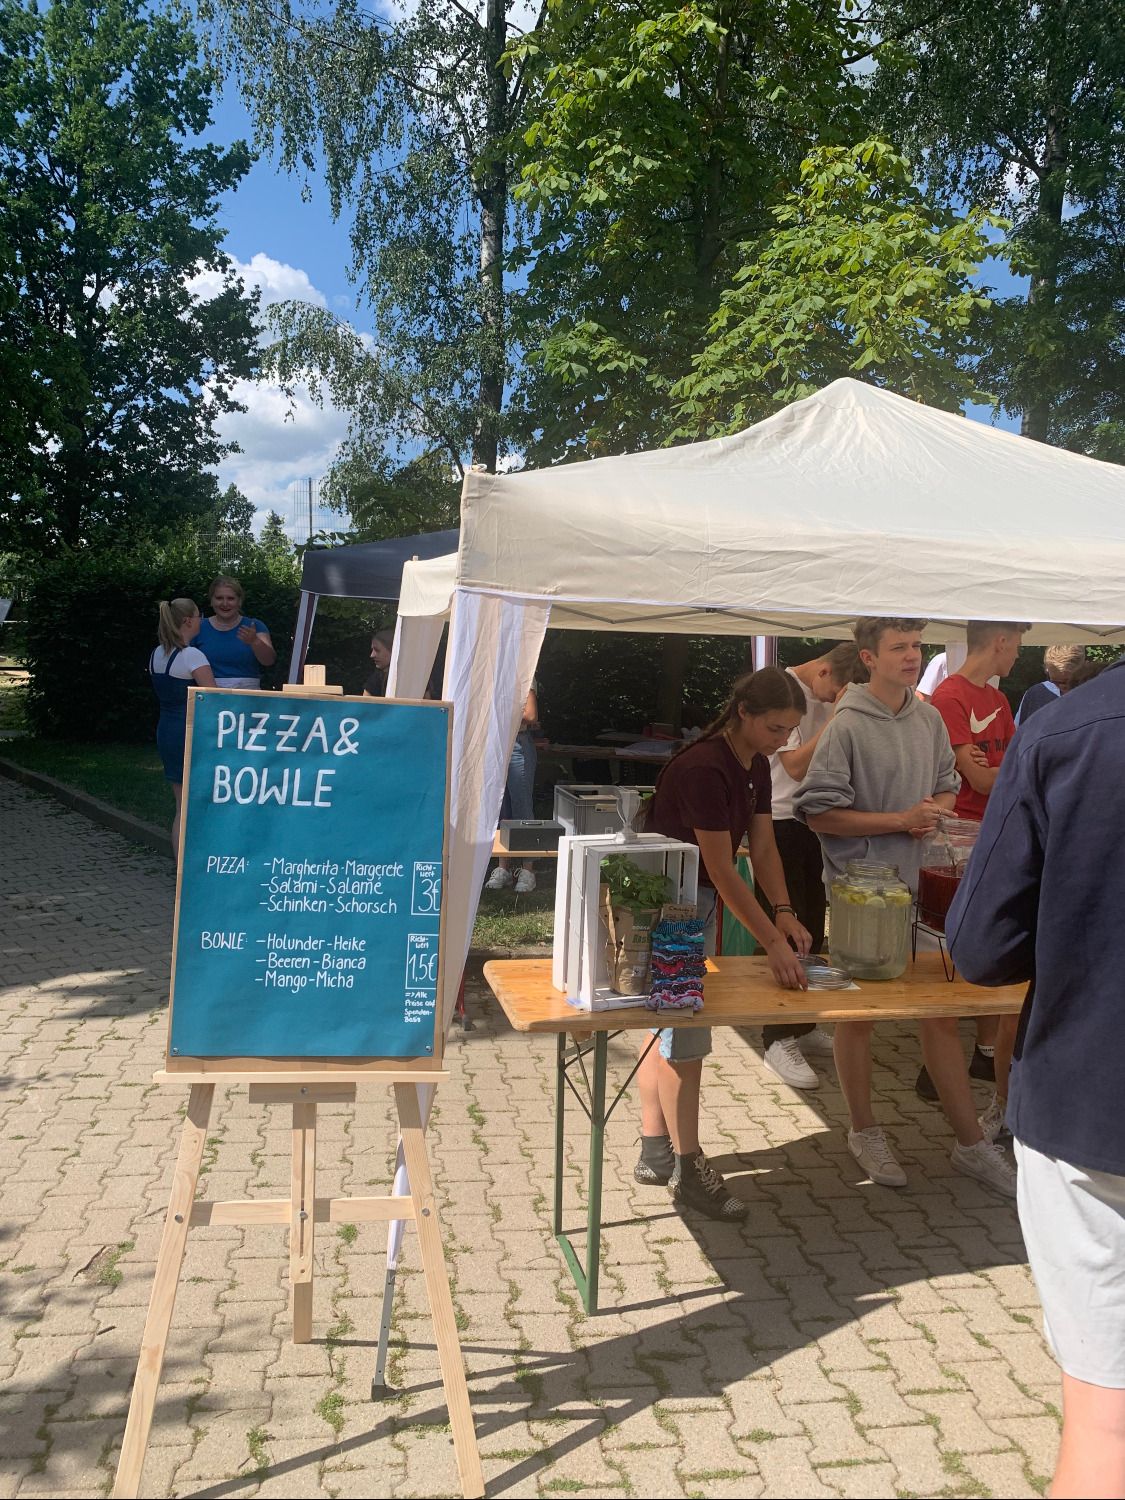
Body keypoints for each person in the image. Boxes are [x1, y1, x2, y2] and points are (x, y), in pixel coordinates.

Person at [948, 656, 1125, 1500]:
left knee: (1104, 1427)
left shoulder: (1069, 730)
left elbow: (982, 947)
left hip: (1094, 1107)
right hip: (1090, 1109)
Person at [794, 617, 1015, 1197]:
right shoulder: (846, 724)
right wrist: (900, 820)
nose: (913, 656)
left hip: (923, 892)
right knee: (858, 1018)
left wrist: (933, 810)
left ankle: (970, 1144)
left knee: (939, 1014)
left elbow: (947, 785)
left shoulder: (928, 719)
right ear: (868, 658)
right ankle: (863, 1130)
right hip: (861, 899)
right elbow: (818, 813)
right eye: (899, 647)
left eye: (916, 645)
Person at [635, 669, 811, 1222]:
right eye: (775, 728)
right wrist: (771, 942)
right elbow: (721, 868)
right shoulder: (704, 769)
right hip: (669, 911)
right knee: (684, 1037)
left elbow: (763, 847)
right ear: (743, 713)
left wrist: (785, 911)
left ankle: (655, 1149)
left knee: (668, 1025)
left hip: (691, 904)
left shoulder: (754, 763)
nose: (782, 740)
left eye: (790, 730)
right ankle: (688, 1169)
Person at [923, 621, 1029, 1123]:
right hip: (958, 841)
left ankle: (984, 1054)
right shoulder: (950, 697)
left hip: (993, 834)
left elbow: (1003, 769)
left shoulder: (999, 700)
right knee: (957, 949)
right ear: (1000, 641)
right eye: (1018, 644)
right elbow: (983, 779)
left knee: (990, 944)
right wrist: (1012, 773)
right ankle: (936, 1064)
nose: (1019, 655)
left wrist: (1004, 773)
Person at [762, 642, 868, 1089]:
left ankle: (802, 1024)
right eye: (833, 693)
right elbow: (794, 766)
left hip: (815, 820)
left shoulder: (830, 693)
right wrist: (838, 717)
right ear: (823, 671)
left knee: (812, 928)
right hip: (780, 820)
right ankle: (775, 1037)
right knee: (786, 929)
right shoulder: (785, 689)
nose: (831, 701)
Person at [149, 598, 215, 859]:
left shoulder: (156, 653)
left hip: (167, 730)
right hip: (191, 732)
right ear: (188, 620)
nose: (202, 620)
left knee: (181, 805)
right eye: (199, 616)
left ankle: (180, 867)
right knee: (198, 802)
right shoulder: (193, 656)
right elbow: (214, 697)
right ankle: (196, 867)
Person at [485, 686, 541, 894]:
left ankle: (528, 870)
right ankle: (503, 867)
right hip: (495, 743)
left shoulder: (523, 674)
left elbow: (531, 715)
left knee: (522, 806)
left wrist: (495, 714)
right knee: (500, 807)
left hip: (517, 742)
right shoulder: (491, 674)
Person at [193, 576, 276, 689]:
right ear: (211, 600)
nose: (225, 603)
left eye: (231, 598)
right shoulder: (199, 627)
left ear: (239, 601)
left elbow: (269, 661)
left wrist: (255, 641)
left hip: (247, 695)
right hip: (209, 694)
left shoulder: (255, 625)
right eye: (219, 598)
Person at [1014, 643, 1085, 724]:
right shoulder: (1035, 695)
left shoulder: (1092, 695)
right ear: (1047, 670)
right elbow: (1018, 730)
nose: (1061, 687)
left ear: (1082, 670)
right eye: (1054, 682)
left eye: (1066, 682)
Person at [363, 629, 395, 696]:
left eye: (377, 650)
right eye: (372, 650)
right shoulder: (377, 677)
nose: (372, 655)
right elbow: (365, 700)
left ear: (393, 651)